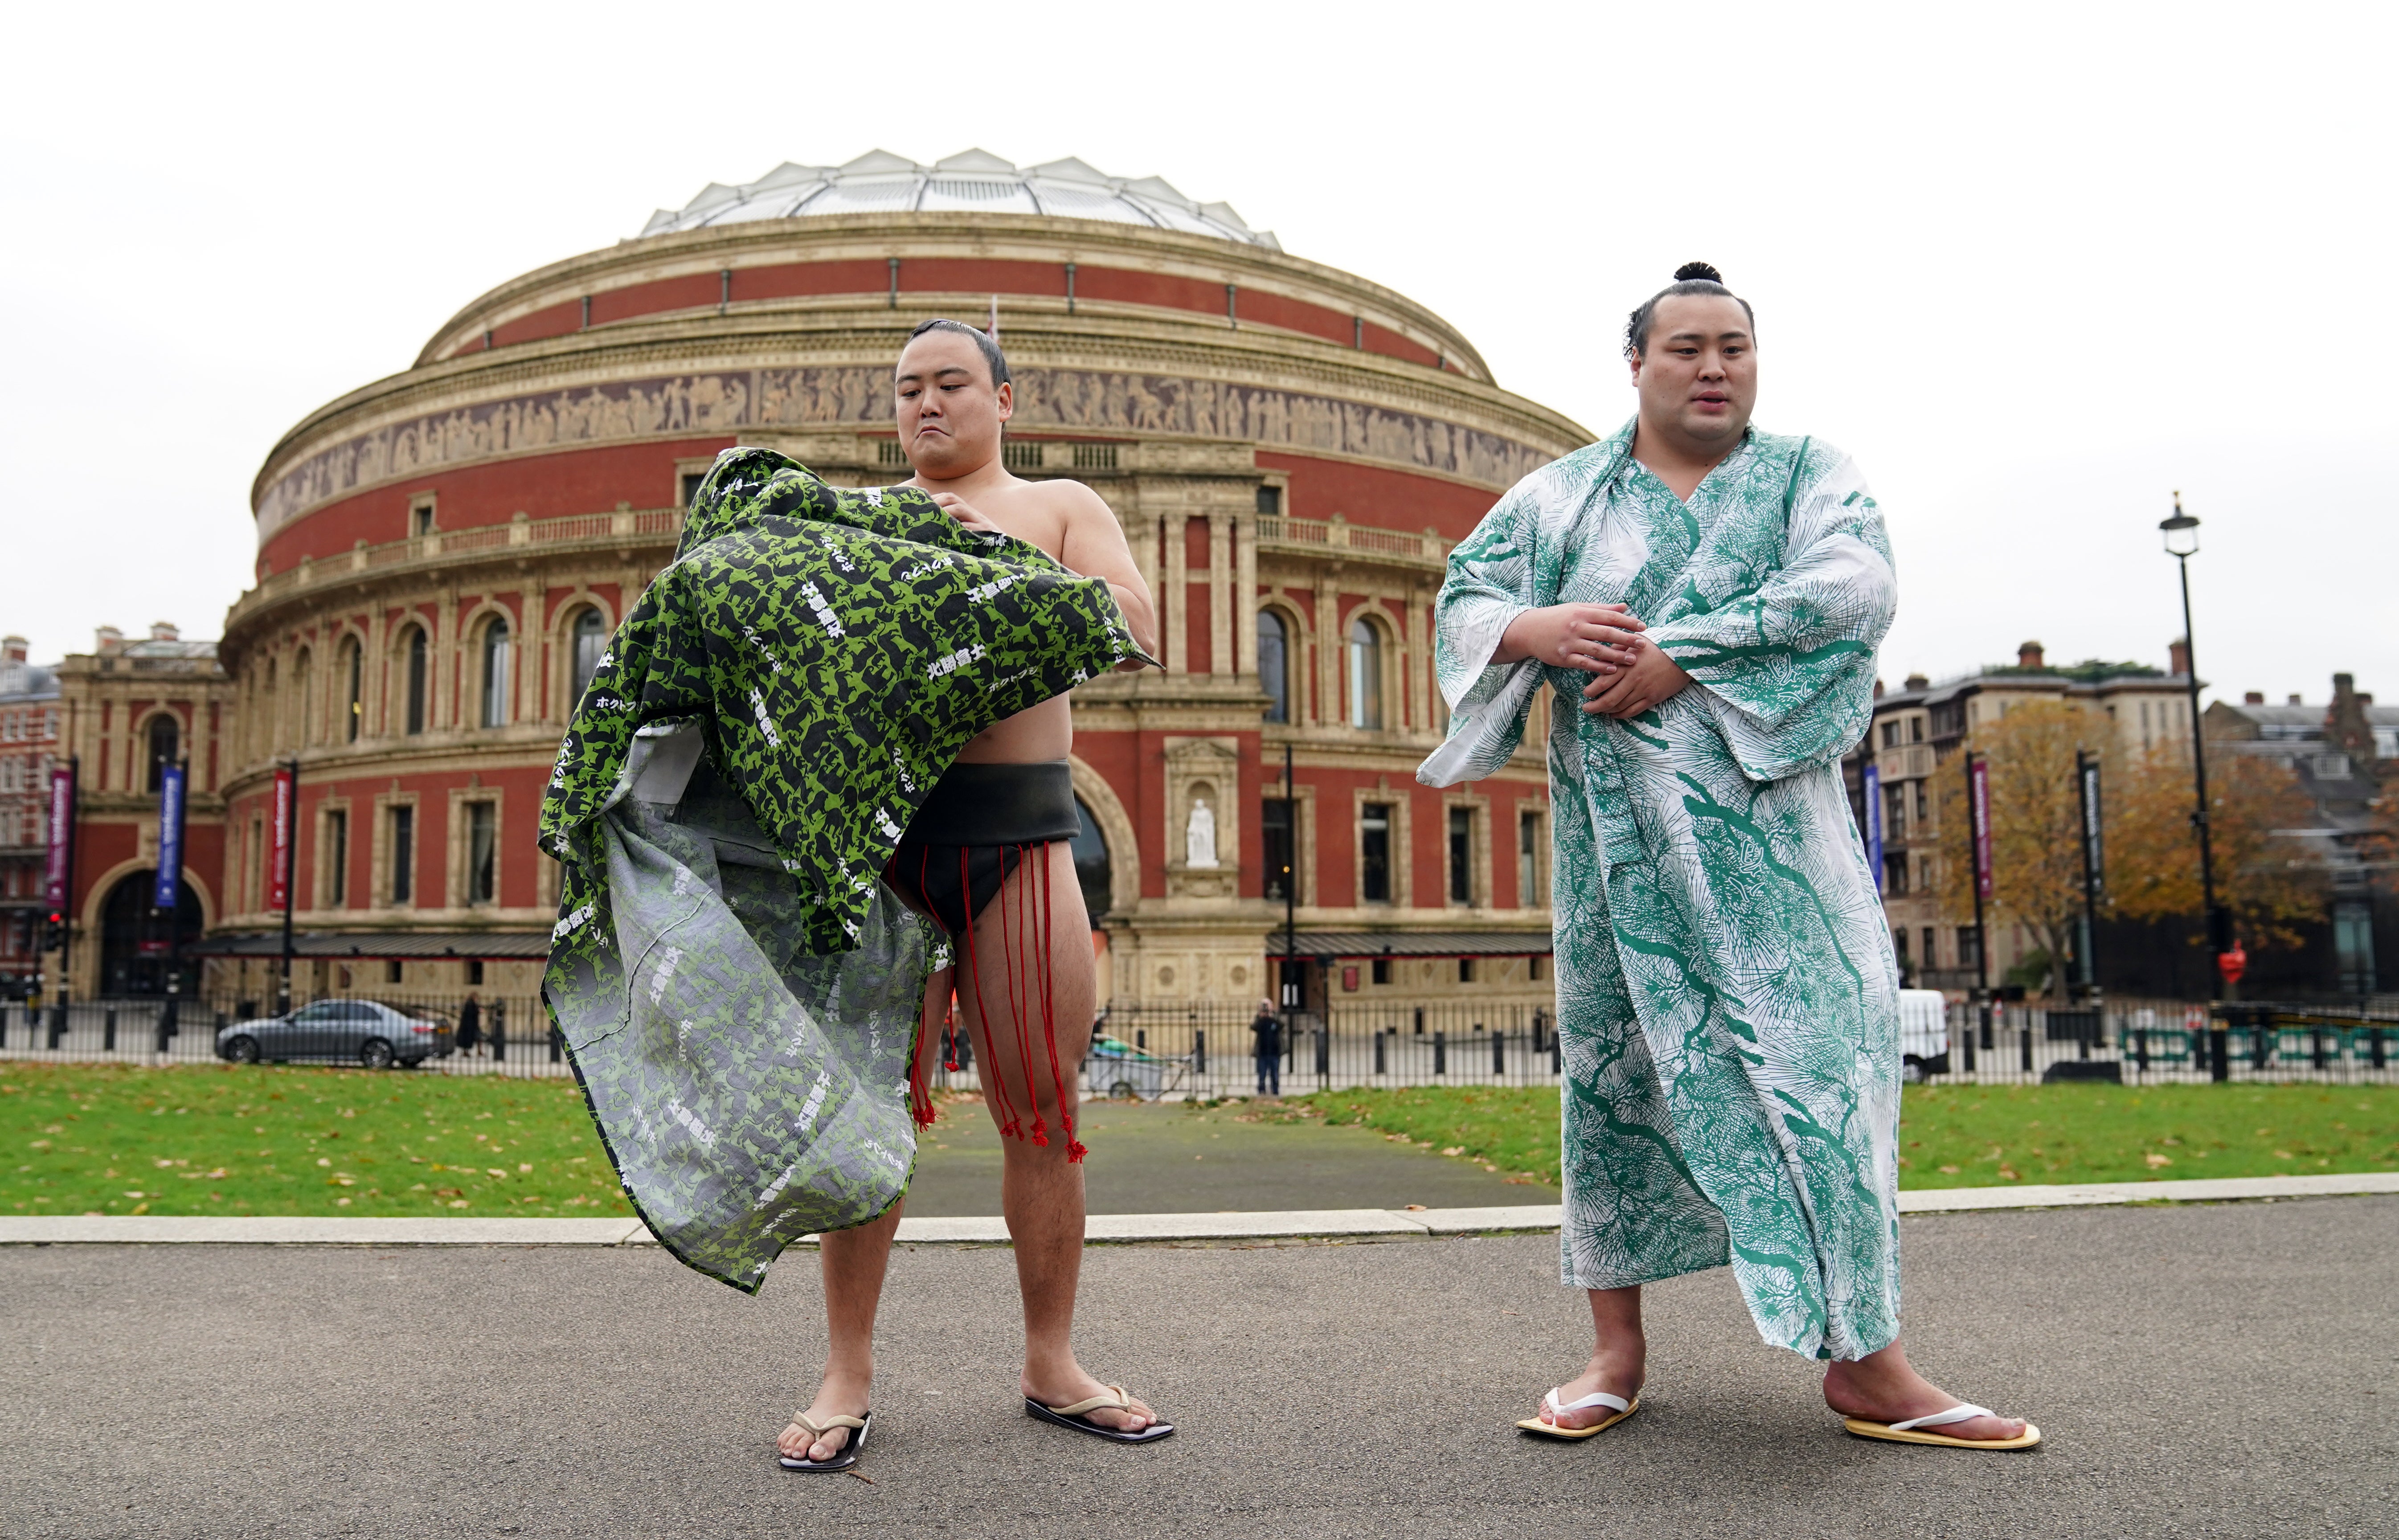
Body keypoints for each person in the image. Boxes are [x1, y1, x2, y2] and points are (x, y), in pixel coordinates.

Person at [1421, 264, 2038, 1452]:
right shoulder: (1559, 501)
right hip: (1622, 861)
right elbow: (1467, 594)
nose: (1714, 368)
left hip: (1782, 856)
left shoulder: (1814, 478)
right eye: (1688, 348)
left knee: (1829, 1073)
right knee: (1616, 1083)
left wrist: (1686, 654)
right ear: (1638, 363)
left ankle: (1871, 1363)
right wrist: (1533, 628)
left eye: (1735, 348)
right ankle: (1613, 1352)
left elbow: (1855, 587)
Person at [778, 319, 1171, 1471]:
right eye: (907, 390)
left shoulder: (1059, 506)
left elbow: (1138, 630)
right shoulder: (857, 516)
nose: (927, 405)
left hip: (1022, 834)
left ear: (1007, 396)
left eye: (951, 383)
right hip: (884, 842)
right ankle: (846, 1372)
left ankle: (1053, 1362)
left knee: (1044, 1114)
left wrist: (992, 563)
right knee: (865, 1123)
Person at [1249, 999, 1282, 1097]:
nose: (1266, 1008)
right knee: (1262, 1074)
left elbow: (1282, 1026)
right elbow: (1253, 1027)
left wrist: (1273, 1017)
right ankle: (1261, 1090)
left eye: (1268, 1005)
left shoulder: (1275, 1016)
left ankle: (1275, 1091)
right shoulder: (1259, 1018)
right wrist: (1261, 1017)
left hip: (1275, 1051)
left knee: (1275, 1074)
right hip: (1262, 1051)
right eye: (1264, 1005)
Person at [455, 992, 481, 1056]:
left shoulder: (470, 1004)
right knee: (469, 1039)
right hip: (469, 1025)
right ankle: (468, 1052)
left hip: (471, 1025)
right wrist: (478, 1011)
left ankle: (479, 1051)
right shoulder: (470, 1004)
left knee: (479, 1038)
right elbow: (471, 1013)